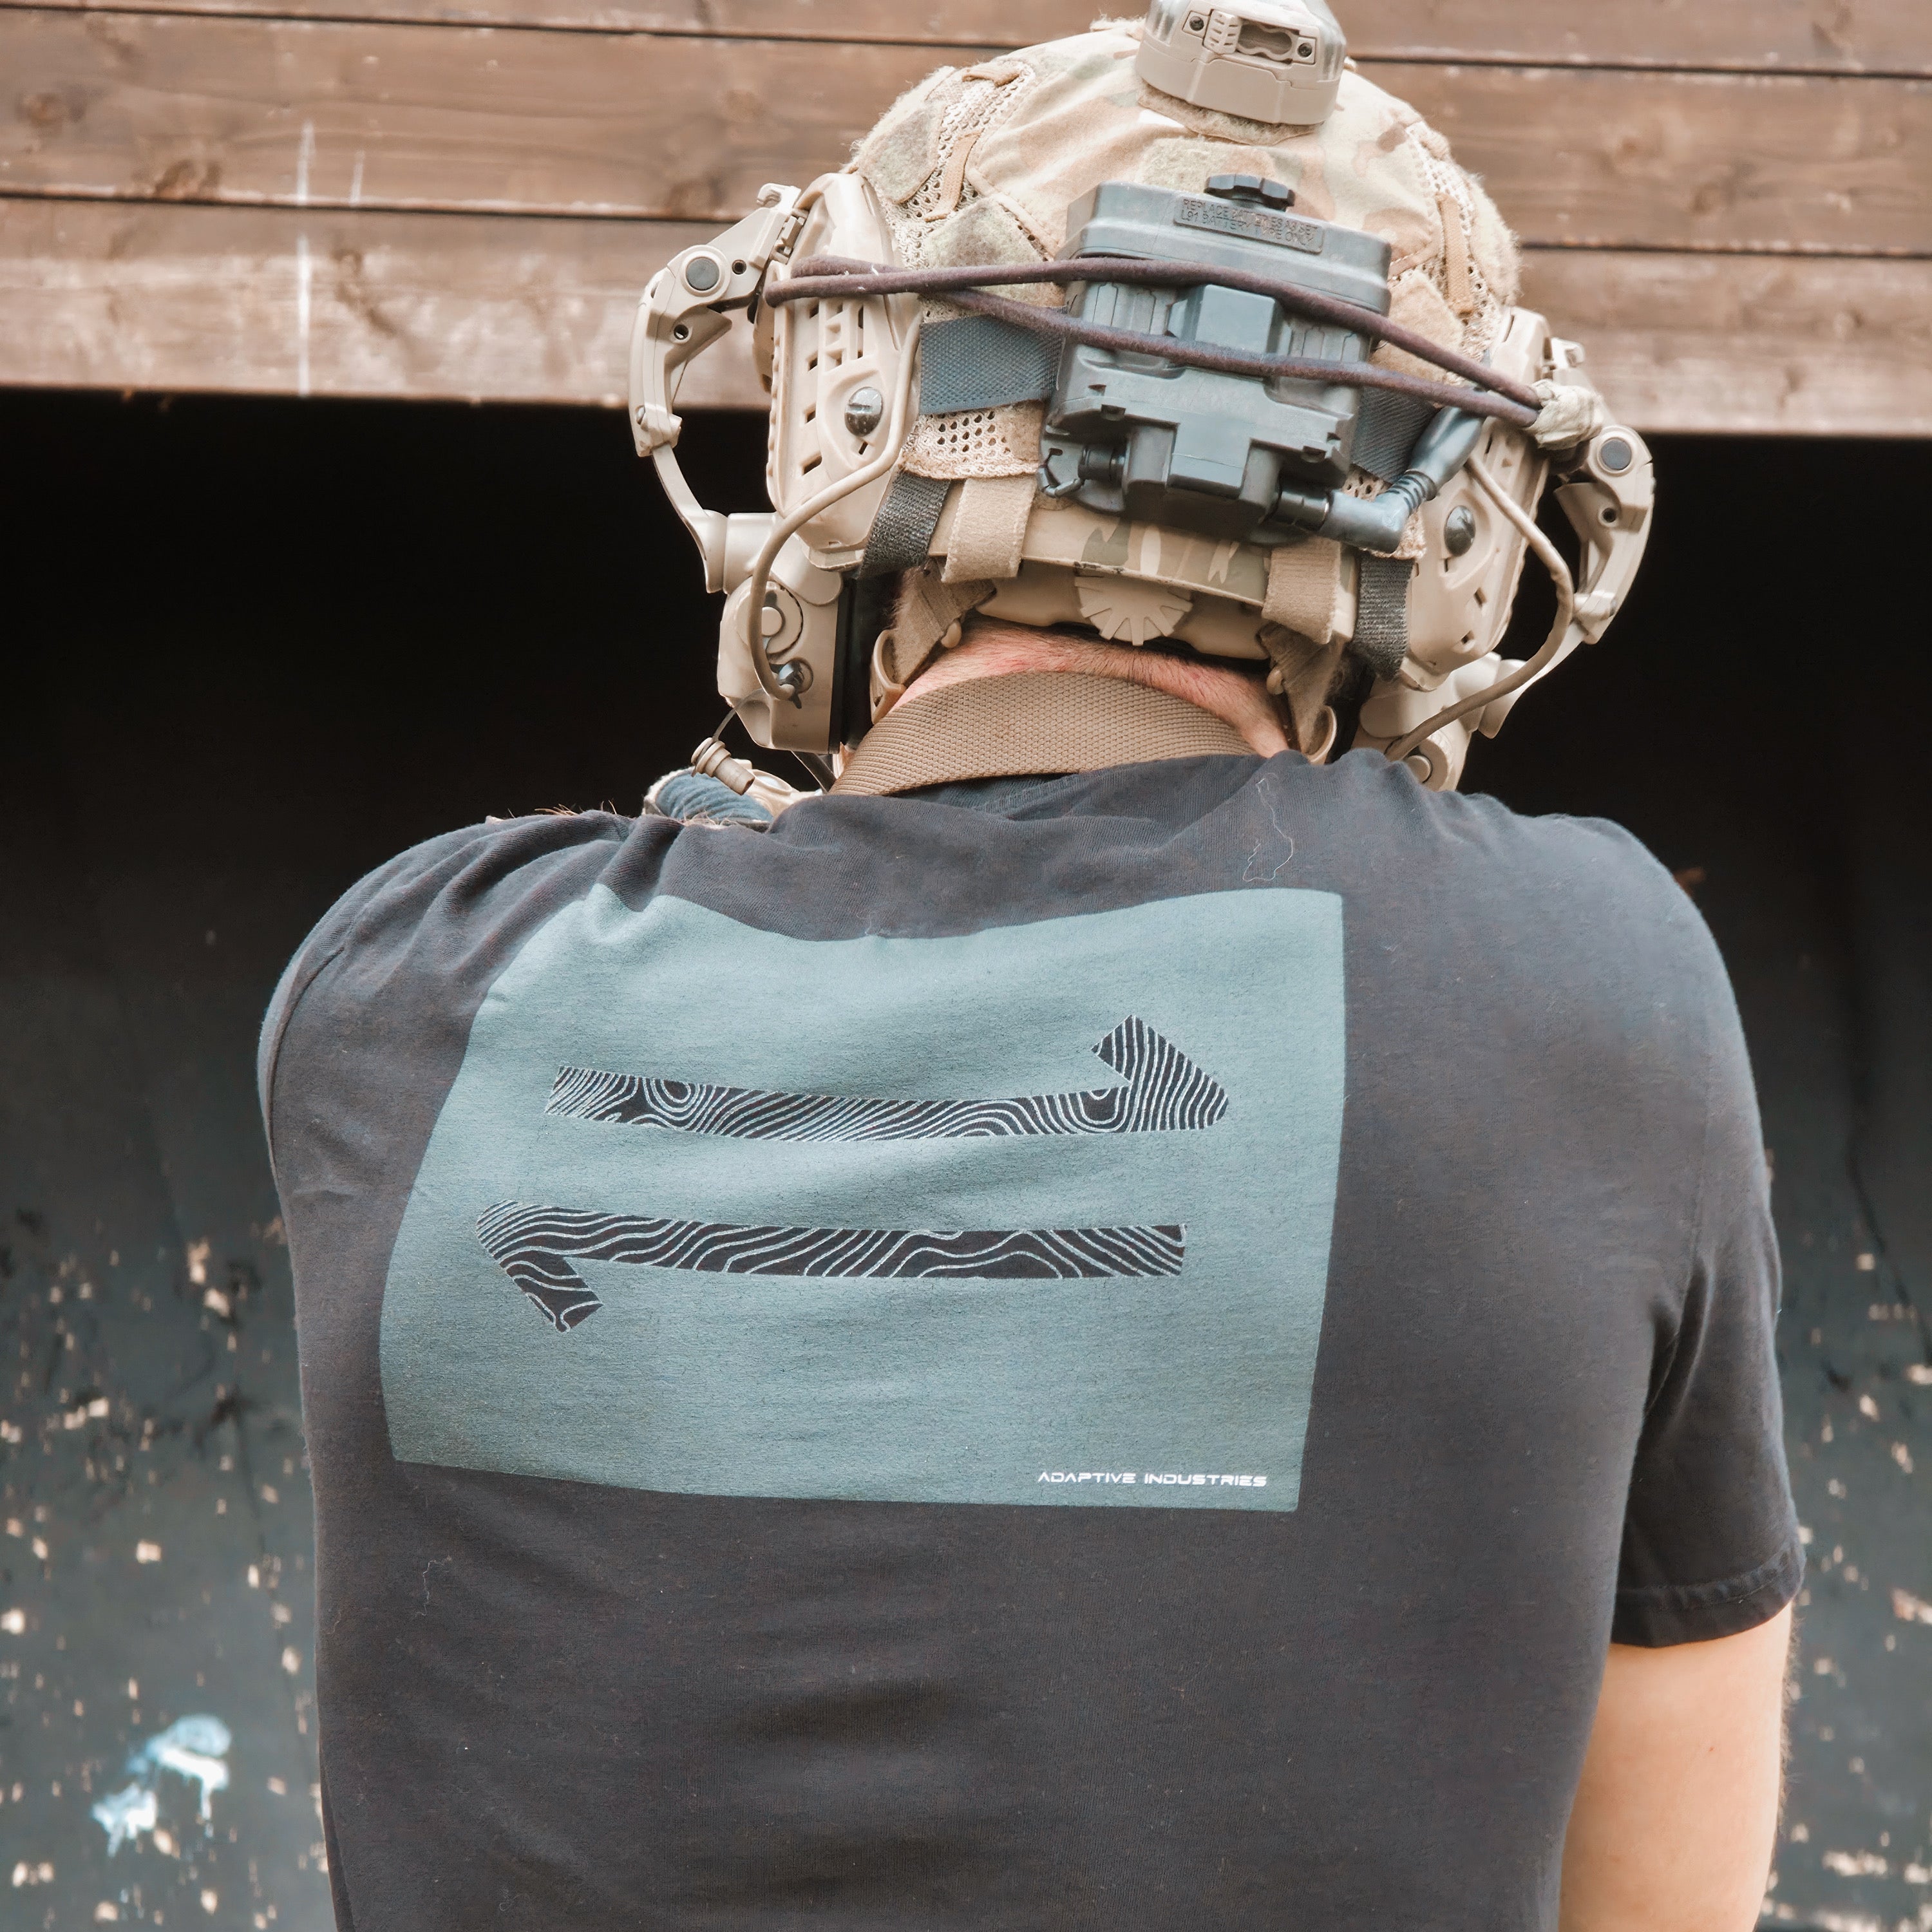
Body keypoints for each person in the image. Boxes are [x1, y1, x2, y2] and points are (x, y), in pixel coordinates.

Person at [260, 11, 1801, 1929]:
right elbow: (1665, 1896)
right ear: (1443, 519)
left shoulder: (402, 990)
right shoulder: (1592, 994)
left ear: (850, 397)